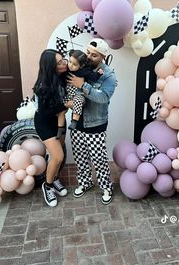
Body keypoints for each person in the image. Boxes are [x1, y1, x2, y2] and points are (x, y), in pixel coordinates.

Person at [66, 38, 117, 205]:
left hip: (95, 123)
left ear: (102, 56)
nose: (88, 56)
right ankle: (85, 182)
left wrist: (83, 86)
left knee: (98, 158)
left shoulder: (108, 74)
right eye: (88, 52)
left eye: (94, 55)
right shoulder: (81, 65)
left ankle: (106, 186)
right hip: (77, 121)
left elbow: (103, 97)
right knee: (80, 156)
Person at [33, 48, 68, 207]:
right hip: (45, 123)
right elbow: (44, 112)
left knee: (61, 151)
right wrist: (65, 105)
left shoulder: (62, 77)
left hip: (60, 122)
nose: (64, 63)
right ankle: (47, 186)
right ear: (50, 67)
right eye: (59, 63)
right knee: (58, 156)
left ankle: (54, 179)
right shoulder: (42, 86)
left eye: (63, 60)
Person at [58, 49, 103, 131]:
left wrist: (98, 74)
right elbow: (60, 78)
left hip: (78, 94)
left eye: (74, 64)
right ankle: (60, 128)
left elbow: (92, 76)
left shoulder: (83, 72)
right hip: (67, 94)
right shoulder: (67, 70)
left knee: (78, 101)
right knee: (62, 109)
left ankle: (74, 121)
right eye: (70, 62)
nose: (70, 65)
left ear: (81, 66)